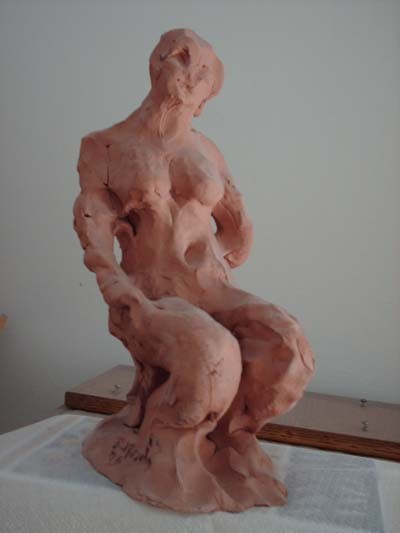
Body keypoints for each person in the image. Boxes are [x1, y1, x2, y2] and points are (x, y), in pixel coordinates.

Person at [74, 29, 314, 512]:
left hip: (209, 288)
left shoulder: (207, 151)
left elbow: (239, 227)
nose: (190, 74)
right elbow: (92, 222)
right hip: (149, 296)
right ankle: (170, 447)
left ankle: (230, 436)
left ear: (208, 95)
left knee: (288, 346)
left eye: (203, 72)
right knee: (213, 354)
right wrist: (115, 284)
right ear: (155, 63)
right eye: (182, 58)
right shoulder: (104, 146)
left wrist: (217, 261)